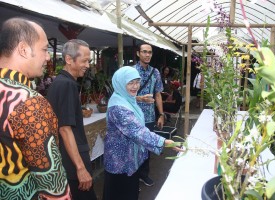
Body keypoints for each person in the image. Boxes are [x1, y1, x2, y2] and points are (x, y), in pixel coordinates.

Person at [0, 17, 71, 199]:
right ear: (24, 49)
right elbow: (53, 185)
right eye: (44, 49)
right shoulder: (29, 103)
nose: (48, 57)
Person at [102, 66, 182, 200]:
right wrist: (164, 142)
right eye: (130, 83)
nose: (135, 86)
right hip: (120, 164)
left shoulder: (125, 98)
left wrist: (140, 99)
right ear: (121, 83)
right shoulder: (118, 107)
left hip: (129, 161)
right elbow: (137, 131)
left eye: (137, 81)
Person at [47, 39, 97, 200]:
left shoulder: (61, 82)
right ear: (69, 59)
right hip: (72, 162)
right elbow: (64, 128)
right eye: (84, 61)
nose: (88, 65)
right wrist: (81, 168)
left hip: (66, 159)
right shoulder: (66, 85)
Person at [135, 43, 164, 186]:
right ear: (138, 54)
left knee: (147, 146)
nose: (147, 55)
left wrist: (161, 114)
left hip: (150, 117)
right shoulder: (131, 71)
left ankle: (143, 174)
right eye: (144, 52)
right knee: (133, 146)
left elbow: (158, 94)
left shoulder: (155, 72)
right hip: (133, 116)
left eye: (150, 52)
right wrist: (140, 98)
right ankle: (133, 175)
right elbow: (122, 95)